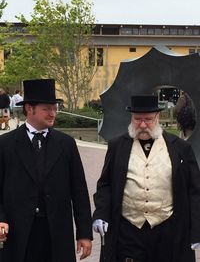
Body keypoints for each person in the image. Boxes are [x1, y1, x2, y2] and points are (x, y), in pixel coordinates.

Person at [93, 94, 200, 262]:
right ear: (131, 118)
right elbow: (105, 185)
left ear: (157, 117)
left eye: (148, 119)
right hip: (128, 229)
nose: (142, 125)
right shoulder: (117, 146)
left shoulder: (180, 148)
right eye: (137, 119)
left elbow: (194, 191)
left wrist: (196, 230)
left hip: (168, 229)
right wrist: (101, 214)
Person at [0, 79, 92, 262]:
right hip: (19, 233)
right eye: (47, 109)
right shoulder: (6, 144)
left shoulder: (66, 144)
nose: (53, 113)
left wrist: (84, 233)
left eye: (55, 108)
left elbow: (79, 191)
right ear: (29, 109)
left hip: (56, 234)